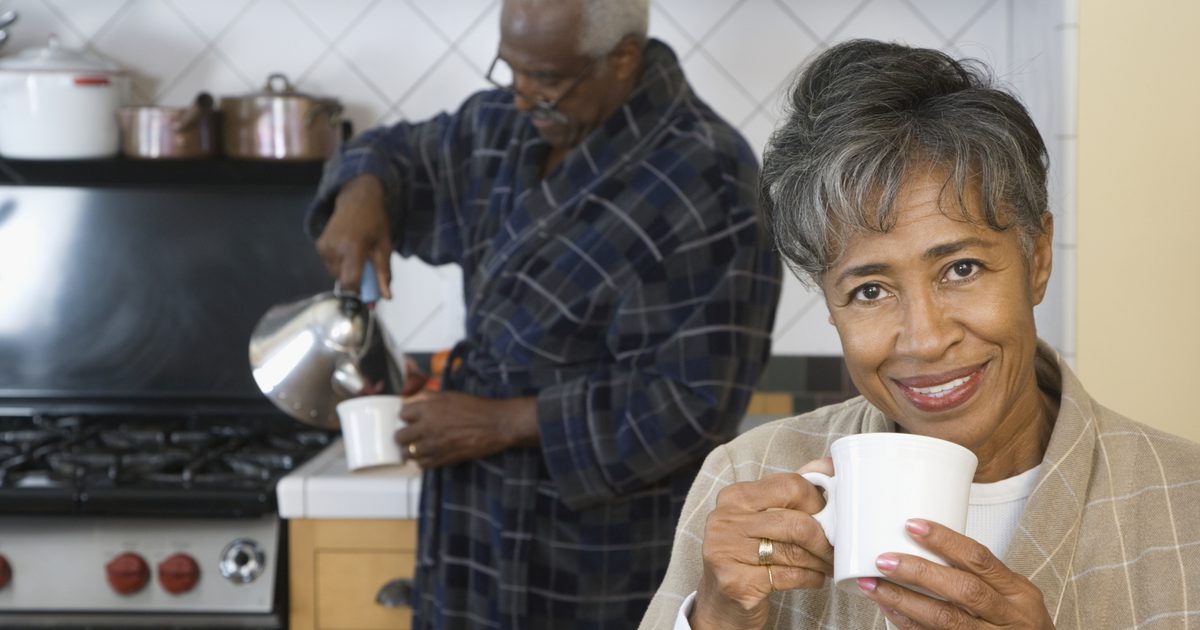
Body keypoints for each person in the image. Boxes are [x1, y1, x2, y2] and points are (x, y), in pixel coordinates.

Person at [640, 39, 1200, 630]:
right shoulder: (748, 479)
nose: (926, 340)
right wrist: (717, 618)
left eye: (962, 269)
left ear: (1036, 261)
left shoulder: (1184, 503)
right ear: (831, 307)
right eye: (870, 290)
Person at [304, 0, 783, 628]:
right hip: (473, 525)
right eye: (513, 70)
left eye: (549, 80)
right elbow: (391, 154)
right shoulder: (503, 125)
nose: (524, 98)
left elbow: (693, 401)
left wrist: (501, 422)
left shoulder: (709, 176)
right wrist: (360, 192)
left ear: (621, 59)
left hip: (599, 551)